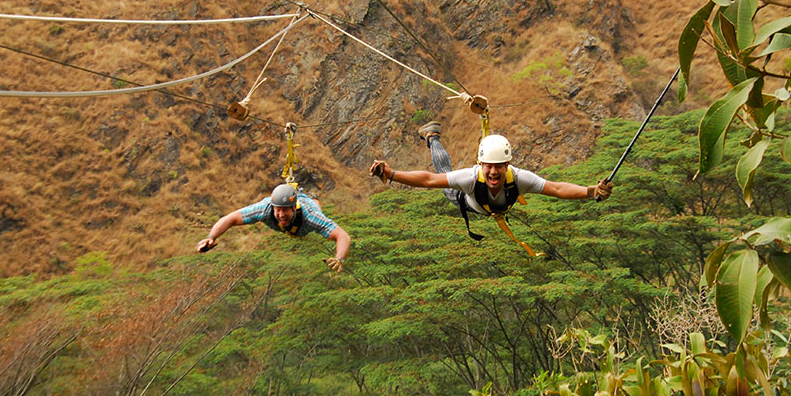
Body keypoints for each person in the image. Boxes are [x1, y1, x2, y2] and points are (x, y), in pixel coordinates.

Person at [369, 121, 612, 249]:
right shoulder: (471, 177)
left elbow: (556, 189)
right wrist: (391, 174)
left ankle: (432, 138)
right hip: (464, 199)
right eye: (488, 166)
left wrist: (591, 192)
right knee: (445, 173)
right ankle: (432, 138)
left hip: (494, 206)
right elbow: (428, 180)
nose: (494, 172)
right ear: (481, 163)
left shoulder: (519, 178)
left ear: (508, 164)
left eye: (499, 166)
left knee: (448, 173)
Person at [196, 184, 351, 273]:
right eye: (278, 209)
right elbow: (230, 218)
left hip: (308, 205)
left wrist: (339, 258)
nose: (281, 214)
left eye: (285, 210)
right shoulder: (264, 209)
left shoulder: (310, 216)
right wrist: (212, 237)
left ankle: (312, 195)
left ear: (294, 208)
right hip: (291, 220)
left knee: (313, 202)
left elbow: (343, 236)